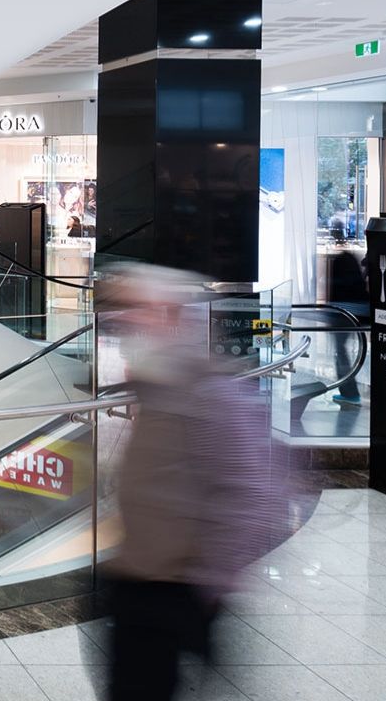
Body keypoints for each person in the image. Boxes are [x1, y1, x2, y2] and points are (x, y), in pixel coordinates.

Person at [102, 264, 285, 701]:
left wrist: (206, 585)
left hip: (174, 590)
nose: (123, 322)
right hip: (138, 580)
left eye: (136, 311)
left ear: (169, 316)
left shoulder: (207, 393)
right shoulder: (156, 387)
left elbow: (248, 495)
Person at [325, 224, 370, 406]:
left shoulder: (339, 260)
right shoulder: (351, 258)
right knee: (344, 352)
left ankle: (350, 392)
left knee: (340, 353)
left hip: (343, 312)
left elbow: (334, 290)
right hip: (358, 311)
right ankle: (350, 391)